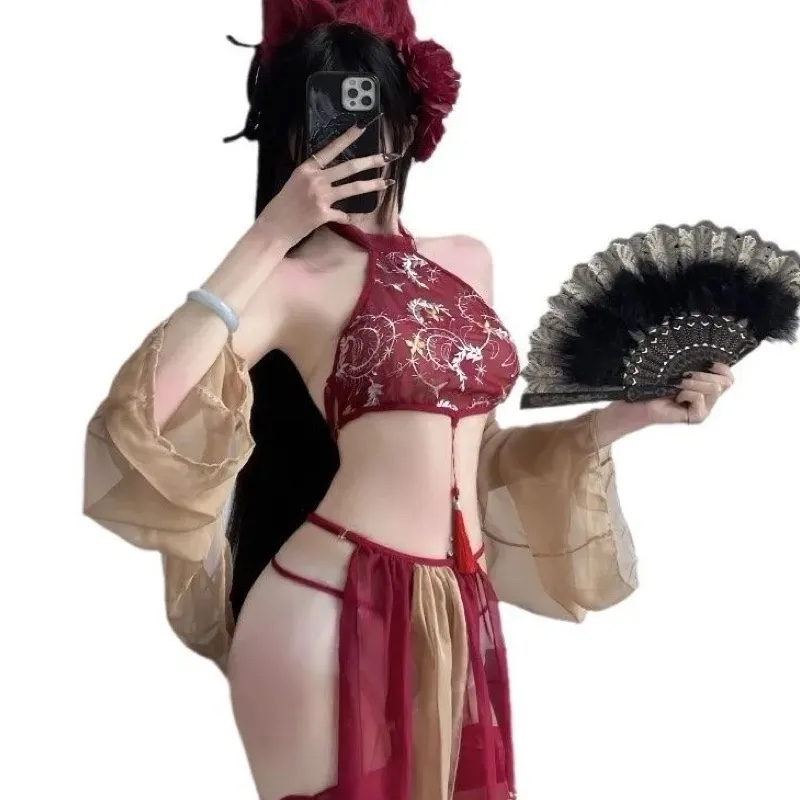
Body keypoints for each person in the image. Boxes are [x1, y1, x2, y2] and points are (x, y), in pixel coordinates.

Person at [82, 1, 735, 798]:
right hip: (326, 607)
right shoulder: (291, 280)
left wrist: (630, 416)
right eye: (320, 116)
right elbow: (146, 412)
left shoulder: (468, 262)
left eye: (368, 109)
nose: (348, 136)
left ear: (403, 122)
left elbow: (480, 458)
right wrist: (271, 232)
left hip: (455, 607)